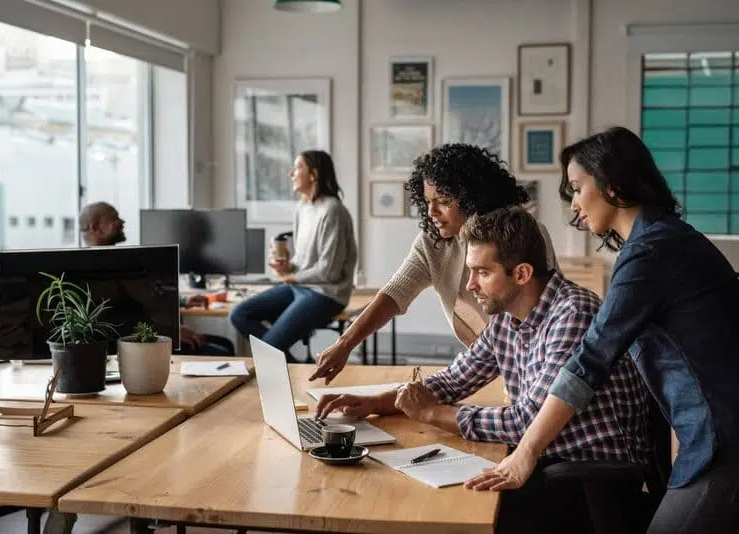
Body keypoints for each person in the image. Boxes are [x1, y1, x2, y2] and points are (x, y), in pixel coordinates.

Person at [467, 127, 739, 533]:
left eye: (578, 188)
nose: (575, 204)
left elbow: (589, 361)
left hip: (725, 438)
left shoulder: (650, 252)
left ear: (612, 184)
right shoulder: (661, 240)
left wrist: (525, 453)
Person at [315, 207, 649, 534]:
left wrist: (433, 414)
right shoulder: (507, 316)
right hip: (545, 461)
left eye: (482, 272)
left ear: (521, 274)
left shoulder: (572, 313)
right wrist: (376, 402)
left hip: (586, 476)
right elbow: (454, 380)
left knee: (440, 511)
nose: (470, 284)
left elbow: (525, 422)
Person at [310, 143, 558, 384]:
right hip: (482, 364)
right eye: (428, 201)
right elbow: (396, 292)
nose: (431, 212)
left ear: (473, 197)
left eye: (443, 201)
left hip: (533, 363)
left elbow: (541, 315)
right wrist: (344, 344)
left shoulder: (523, 234)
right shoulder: (434, 241)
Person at [229, 150, 357, 362]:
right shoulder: (302, 208)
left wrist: (293, 277)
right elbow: (302, 261)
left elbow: (329, 271)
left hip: (326, 294)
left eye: (298, 167)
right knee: (239, 314)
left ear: (313, 175)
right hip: (300, 287)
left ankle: (284, 367)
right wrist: (287, 267)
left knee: (269, 346)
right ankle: (292, 367)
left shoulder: (333, 211)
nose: (291, 173)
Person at [78, 202, 234, 356]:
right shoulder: (93, 271)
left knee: (225, 344)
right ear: (95, 227)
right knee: (220, 351)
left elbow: (143, 298)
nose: (122, 222)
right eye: (114, 218)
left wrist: (183, 301)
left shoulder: (116, 261)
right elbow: (117, 323)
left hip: (151, 333)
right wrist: (169, 332)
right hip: (137, 344)